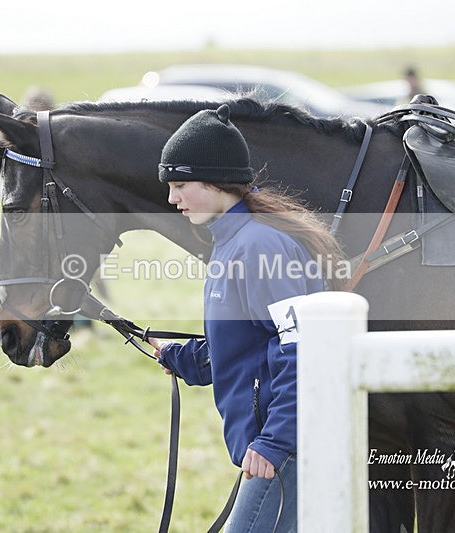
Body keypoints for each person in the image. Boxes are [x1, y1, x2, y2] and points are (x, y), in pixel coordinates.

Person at [147, 104, 343, 532]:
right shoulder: (231, 242)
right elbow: (250, 344)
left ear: (216, 182)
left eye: (180, 184)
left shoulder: (258, 247)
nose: (171, 198)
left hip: (284, 447)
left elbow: (300, 349)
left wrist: (275, 442)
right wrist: (183, 358)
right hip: (275, 443)